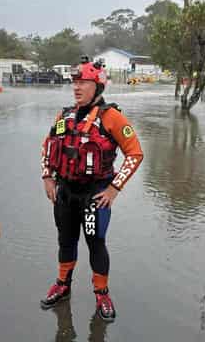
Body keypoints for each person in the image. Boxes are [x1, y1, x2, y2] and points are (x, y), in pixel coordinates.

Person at [40, 59, 144, 322]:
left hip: (95, 195)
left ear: (97, 86)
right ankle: (63, 286)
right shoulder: (64, 116)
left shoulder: (112, 117)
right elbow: (48, 146)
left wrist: (113, 189)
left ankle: (102, 294)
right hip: (65, 192)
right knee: (65, 241)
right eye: (74, 82)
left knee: (96, 242)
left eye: (83, 83)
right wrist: (47, 177)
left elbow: (135, 153)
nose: (76, 87)